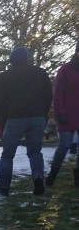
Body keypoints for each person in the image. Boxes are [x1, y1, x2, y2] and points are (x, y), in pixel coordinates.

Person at [0, 46, 53, 196]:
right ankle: (38, 178)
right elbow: (48, 95)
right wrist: (43, 113)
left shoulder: (5, 76)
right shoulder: (40, 73)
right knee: (35, 152)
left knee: (7, 155)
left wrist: (3, 118)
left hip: (14, 118)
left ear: (12, 61)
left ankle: (4, 187)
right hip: (37, 116)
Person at [45, 41, 79, 187]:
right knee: (64, 145)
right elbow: (57, 92)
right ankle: (53, 173)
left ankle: (78, 177)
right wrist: (59, 112)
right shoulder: (65, 69)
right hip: (67, 113)